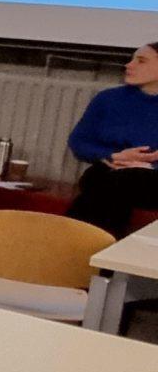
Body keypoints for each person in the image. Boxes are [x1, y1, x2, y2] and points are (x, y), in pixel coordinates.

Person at [67, 41, 158, 236]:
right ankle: (94, 246)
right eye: (132, 59)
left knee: (108, 183)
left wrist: (146, 165)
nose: (129, 65)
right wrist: (112, 155)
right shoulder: (108, 99)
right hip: (110, 172)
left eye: (141, 61)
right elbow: (79, 142)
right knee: (103, 181)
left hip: (151, 179)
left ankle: (73, 243)